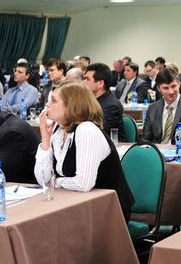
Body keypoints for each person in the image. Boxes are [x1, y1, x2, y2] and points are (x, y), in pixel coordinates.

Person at [35, 81, 134, 218]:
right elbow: (42, 180)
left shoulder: (86, 130)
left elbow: (83, 183)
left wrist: (56, 182)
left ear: (72, 106)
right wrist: (45, 140)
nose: (47, 104)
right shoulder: (59, 130)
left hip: (108, 209)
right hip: (75, 204)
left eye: (54, 101)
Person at [142, 68, 181, 144]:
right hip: (157, 149)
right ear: (159, 88)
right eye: (166, 88)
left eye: (173, 86)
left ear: (179, 84)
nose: (171, 92)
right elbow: (145, 139)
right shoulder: (152, 108)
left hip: (180, 149)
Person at [84, 63, 125, 141]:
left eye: (87, 79)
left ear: (100, 83)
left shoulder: (111, 106)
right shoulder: (89, 100)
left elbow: (98, 131)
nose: (84, 82)